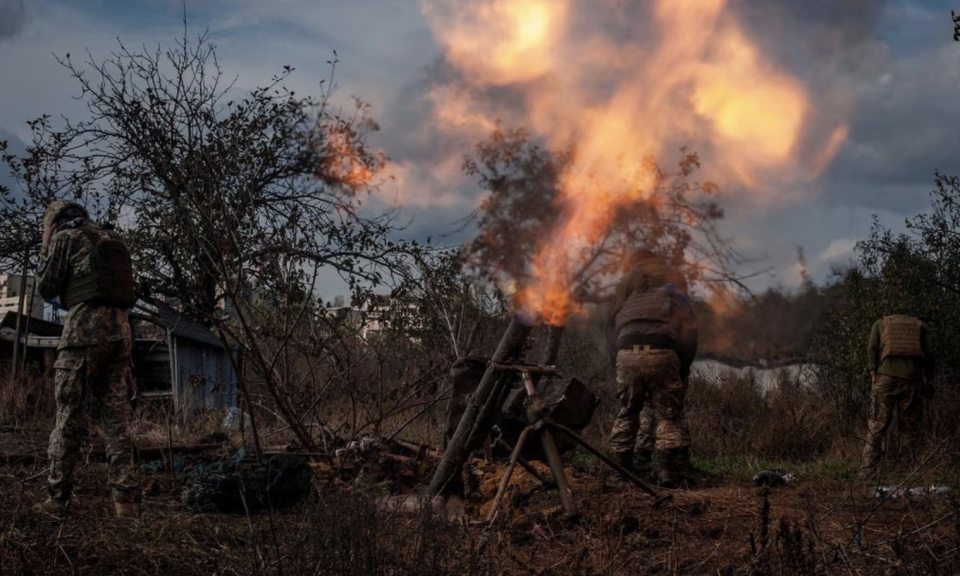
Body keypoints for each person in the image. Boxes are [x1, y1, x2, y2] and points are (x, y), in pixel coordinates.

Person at [35, 200, 140, 518]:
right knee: (117, 423)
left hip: (83, 338)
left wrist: (45, 247)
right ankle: (125, 504)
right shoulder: (112, 238)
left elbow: (46, 288)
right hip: (120, 336)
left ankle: (57, 500)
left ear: (53, 223)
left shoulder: (66, 238)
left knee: (68, 419)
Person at [608, 249, 698, 487]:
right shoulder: (672, 284)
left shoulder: (627, 287)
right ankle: (665, 472)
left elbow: (611, 327)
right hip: (662, 350)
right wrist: (682, 365)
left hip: (625, 352)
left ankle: (622, 471)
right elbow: (689, 328)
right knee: (668, 414)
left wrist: (617, 360)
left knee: (627, 411)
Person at [859, 313, 934, 479]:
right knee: (909, 429)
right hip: (912, 381)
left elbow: (872, 348)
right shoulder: (921, 326)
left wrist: (873, 373)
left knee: (877, 426)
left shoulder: (880, 323)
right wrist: (928, 380)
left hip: (884, 379)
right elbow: (929, 355)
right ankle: (907, 475)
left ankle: (867, 474)